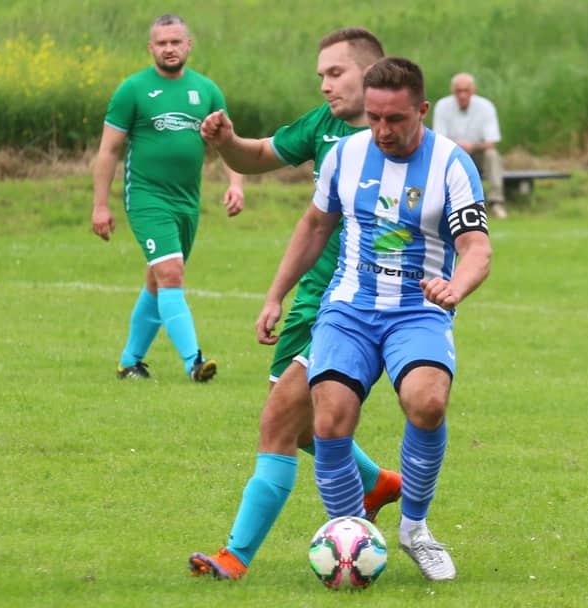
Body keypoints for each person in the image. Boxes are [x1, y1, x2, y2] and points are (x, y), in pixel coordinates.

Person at [257, 57, 492, 582]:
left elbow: (476, 247)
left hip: (418, 309)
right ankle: (351, 535)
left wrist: (456, 287)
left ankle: (414, 529)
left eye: (396, 119)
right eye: (375, 117)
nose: (383, 130)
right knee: (329, 418)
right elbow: (315, 225)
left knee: (428, 403)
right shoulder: (345, 155)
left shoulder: (452, 164)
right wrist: (276, 294)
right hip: (349, 307)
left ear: (422, 110)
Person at [187, 27, 402, 580]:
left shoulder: (402, 142)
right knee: (301, 426)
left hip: (353, 307)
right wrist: (226, 142)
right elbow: (260, 155)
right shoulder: (323, 126)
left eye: (336, 73)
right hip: (312, 300)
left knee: (279, 422)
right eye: (321, 76)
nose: (325, 85)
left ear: (370, 74)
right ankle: (377, 482)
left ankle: (235, 558)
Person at [91, 14, 244, 382]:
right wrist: (100, 205)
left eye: (175, 42)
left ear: (188, 45)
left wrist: (236, 184)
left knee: (158, 281)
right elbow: (108, 151)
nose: (169, 49)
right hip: (147, 198)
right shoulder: (133, 90)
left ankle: (129, 362)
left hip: (187, 201)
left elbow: (228, 143)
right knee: (172, 273)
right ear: (151, 48)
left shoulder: (206, 90)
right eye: (162, 43)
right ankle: (194, 362)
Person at [432, 72, 508, 219]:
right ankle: (440, 203)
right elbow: (438, 140)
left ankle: (496, 202)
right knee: (437, 156)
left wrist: (472, 146)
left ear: (473, 91)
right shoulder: (442, 106)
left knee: (492, 155)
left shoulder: (486, 107)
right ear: (453, 92)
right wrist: (457, 146)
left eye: (466, 90)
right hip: (452, 155)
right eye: (458, 91)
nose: (462, 95)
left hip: (477, 154)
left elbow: (492, 143)